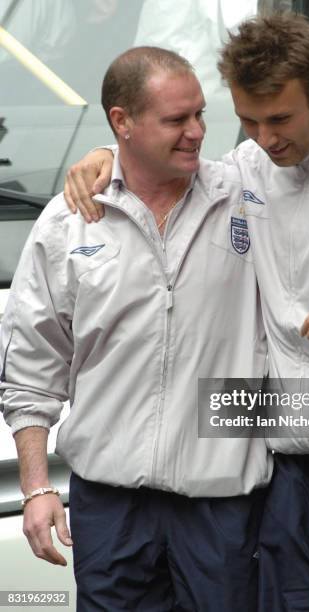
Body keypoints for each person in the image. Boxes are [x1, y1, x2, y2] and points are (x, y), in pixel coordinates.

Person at [65, 12, 309, 612]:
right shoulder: (248, 169)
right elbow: (163, 169)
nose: (265, 138)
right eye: (247, 120)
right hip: (293, 476)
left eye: (279, 119)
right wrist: (106, 154)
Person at [0, 46, 272, 612]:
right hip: (110, 509)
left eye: (200, 114)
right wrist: (37, 486)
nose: (197, 131)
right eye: (176, 120)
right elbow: (31, 366)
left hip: (224, 509)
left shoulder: (247, 195)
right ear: (121, 123)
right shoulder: (67, 220)